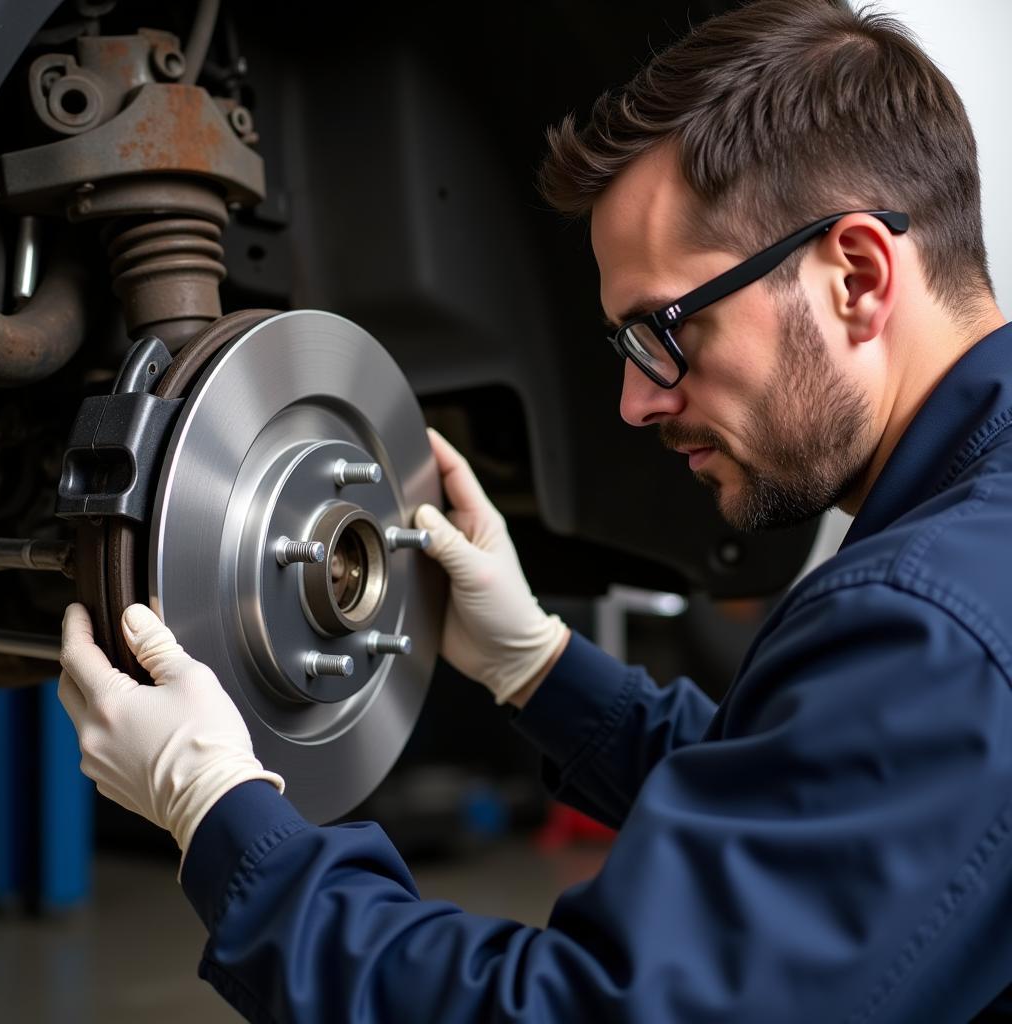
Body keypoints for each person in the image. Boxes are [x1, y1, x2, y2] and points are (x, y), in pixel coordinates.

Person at [57, 0, 1012, 1020]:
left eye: (662, 331)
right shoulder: (965, 567)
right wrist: (537, 666)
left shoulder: (932, 620)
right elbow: (808, 813)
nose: (635, 401)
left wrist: (223, 820)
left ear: (856, 275)